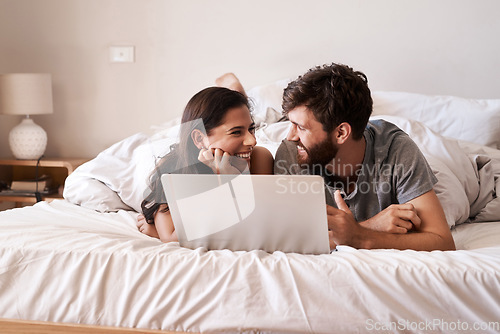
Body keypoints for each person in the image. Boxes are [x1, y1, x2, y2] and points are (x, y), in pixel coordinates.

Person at [274, 63, 456, 251]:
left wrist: (359, 236)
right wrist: (367, 229)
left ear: (341, 133)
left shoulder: (397, 150)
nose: (291, 136)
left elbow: (442, 241)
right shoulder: (291, 154)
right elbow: (290, 242)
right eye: (291, 124)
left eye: (301, 127)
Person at [137, 84, 274, 242]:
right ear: (200, 139)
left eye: (251, 129)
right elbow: (172, 237)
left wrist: (233, 180)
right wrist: (219, 182)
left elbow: (258, 225)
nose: (252, 140)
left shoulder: (259, 158)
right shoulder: (171, 168)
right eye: (236, 132)